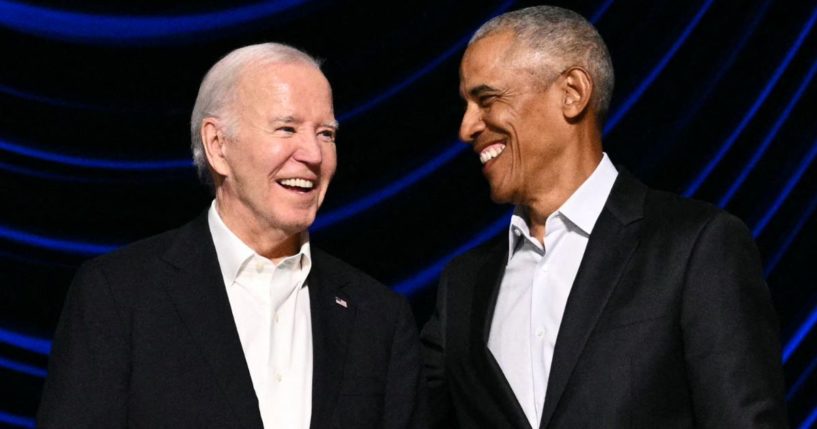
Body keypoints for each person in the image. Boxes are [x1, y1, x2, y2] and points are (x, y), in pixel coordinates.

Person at [420, 6, 787, 428]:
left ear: (572, 92)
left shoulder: (694, 247)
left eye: (486, 99)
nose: (466, 127)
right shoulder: (463, 286)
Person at [38, 42, 427, 429]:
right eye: (286, 128)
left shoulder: (379, 319)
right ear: (218, 145)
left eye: (326, 133)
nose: (313, 153)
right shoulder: (119, 295)